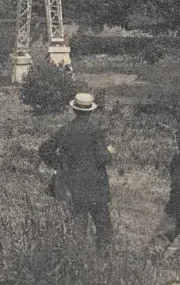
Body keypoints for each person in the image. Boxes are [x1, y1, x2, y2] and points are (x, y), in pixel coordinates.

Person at [38, 92, 114, 247]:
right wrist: (109, 153)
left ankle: (79, 259)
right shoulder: (95, 132)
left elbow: (44, 149)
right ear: (91, 111)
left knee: (79, 225)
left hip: (74, 185)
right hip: (95, 186)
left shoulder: (65, 130)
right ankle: (104, 262)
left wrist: (60, 165)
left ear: (74, 110)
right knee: (103, 226)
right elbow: (102, 158)